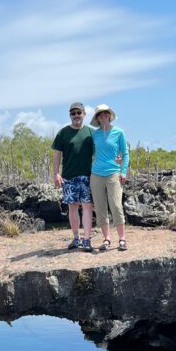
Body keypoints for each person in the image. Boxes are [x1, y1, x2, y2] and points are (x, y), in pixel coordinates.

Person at [52, 102, 94, 252]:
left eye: (79, 112)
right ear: (70, 115)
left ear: (84, 114)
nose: (76, 115)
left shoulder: (91, 133)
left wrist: (118, 160)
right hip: (68, 177)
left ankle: (87, 239)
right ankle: (76, 238)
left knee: (88, 206)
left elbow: (101, 152)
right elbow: (57, 154)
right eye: (73, 113)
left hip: (87, 177)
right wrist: (56, 173)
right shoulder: (63, 133)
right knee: (72, 207)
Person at [88, 104, 130, 251]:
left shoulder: (119, 133)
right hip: (96, 174)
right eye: (100, 114)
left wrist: (123, 171)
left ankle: (122, 239)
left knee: (116, 206)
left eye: (106, 113)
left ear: (110, 116)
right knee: (100, 208)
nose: (103, 116)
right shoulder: (95, 134)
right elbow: (88, 153)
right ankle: (106, 239)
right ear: (97, 118)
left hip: (113, 173)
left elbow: (125, 153)